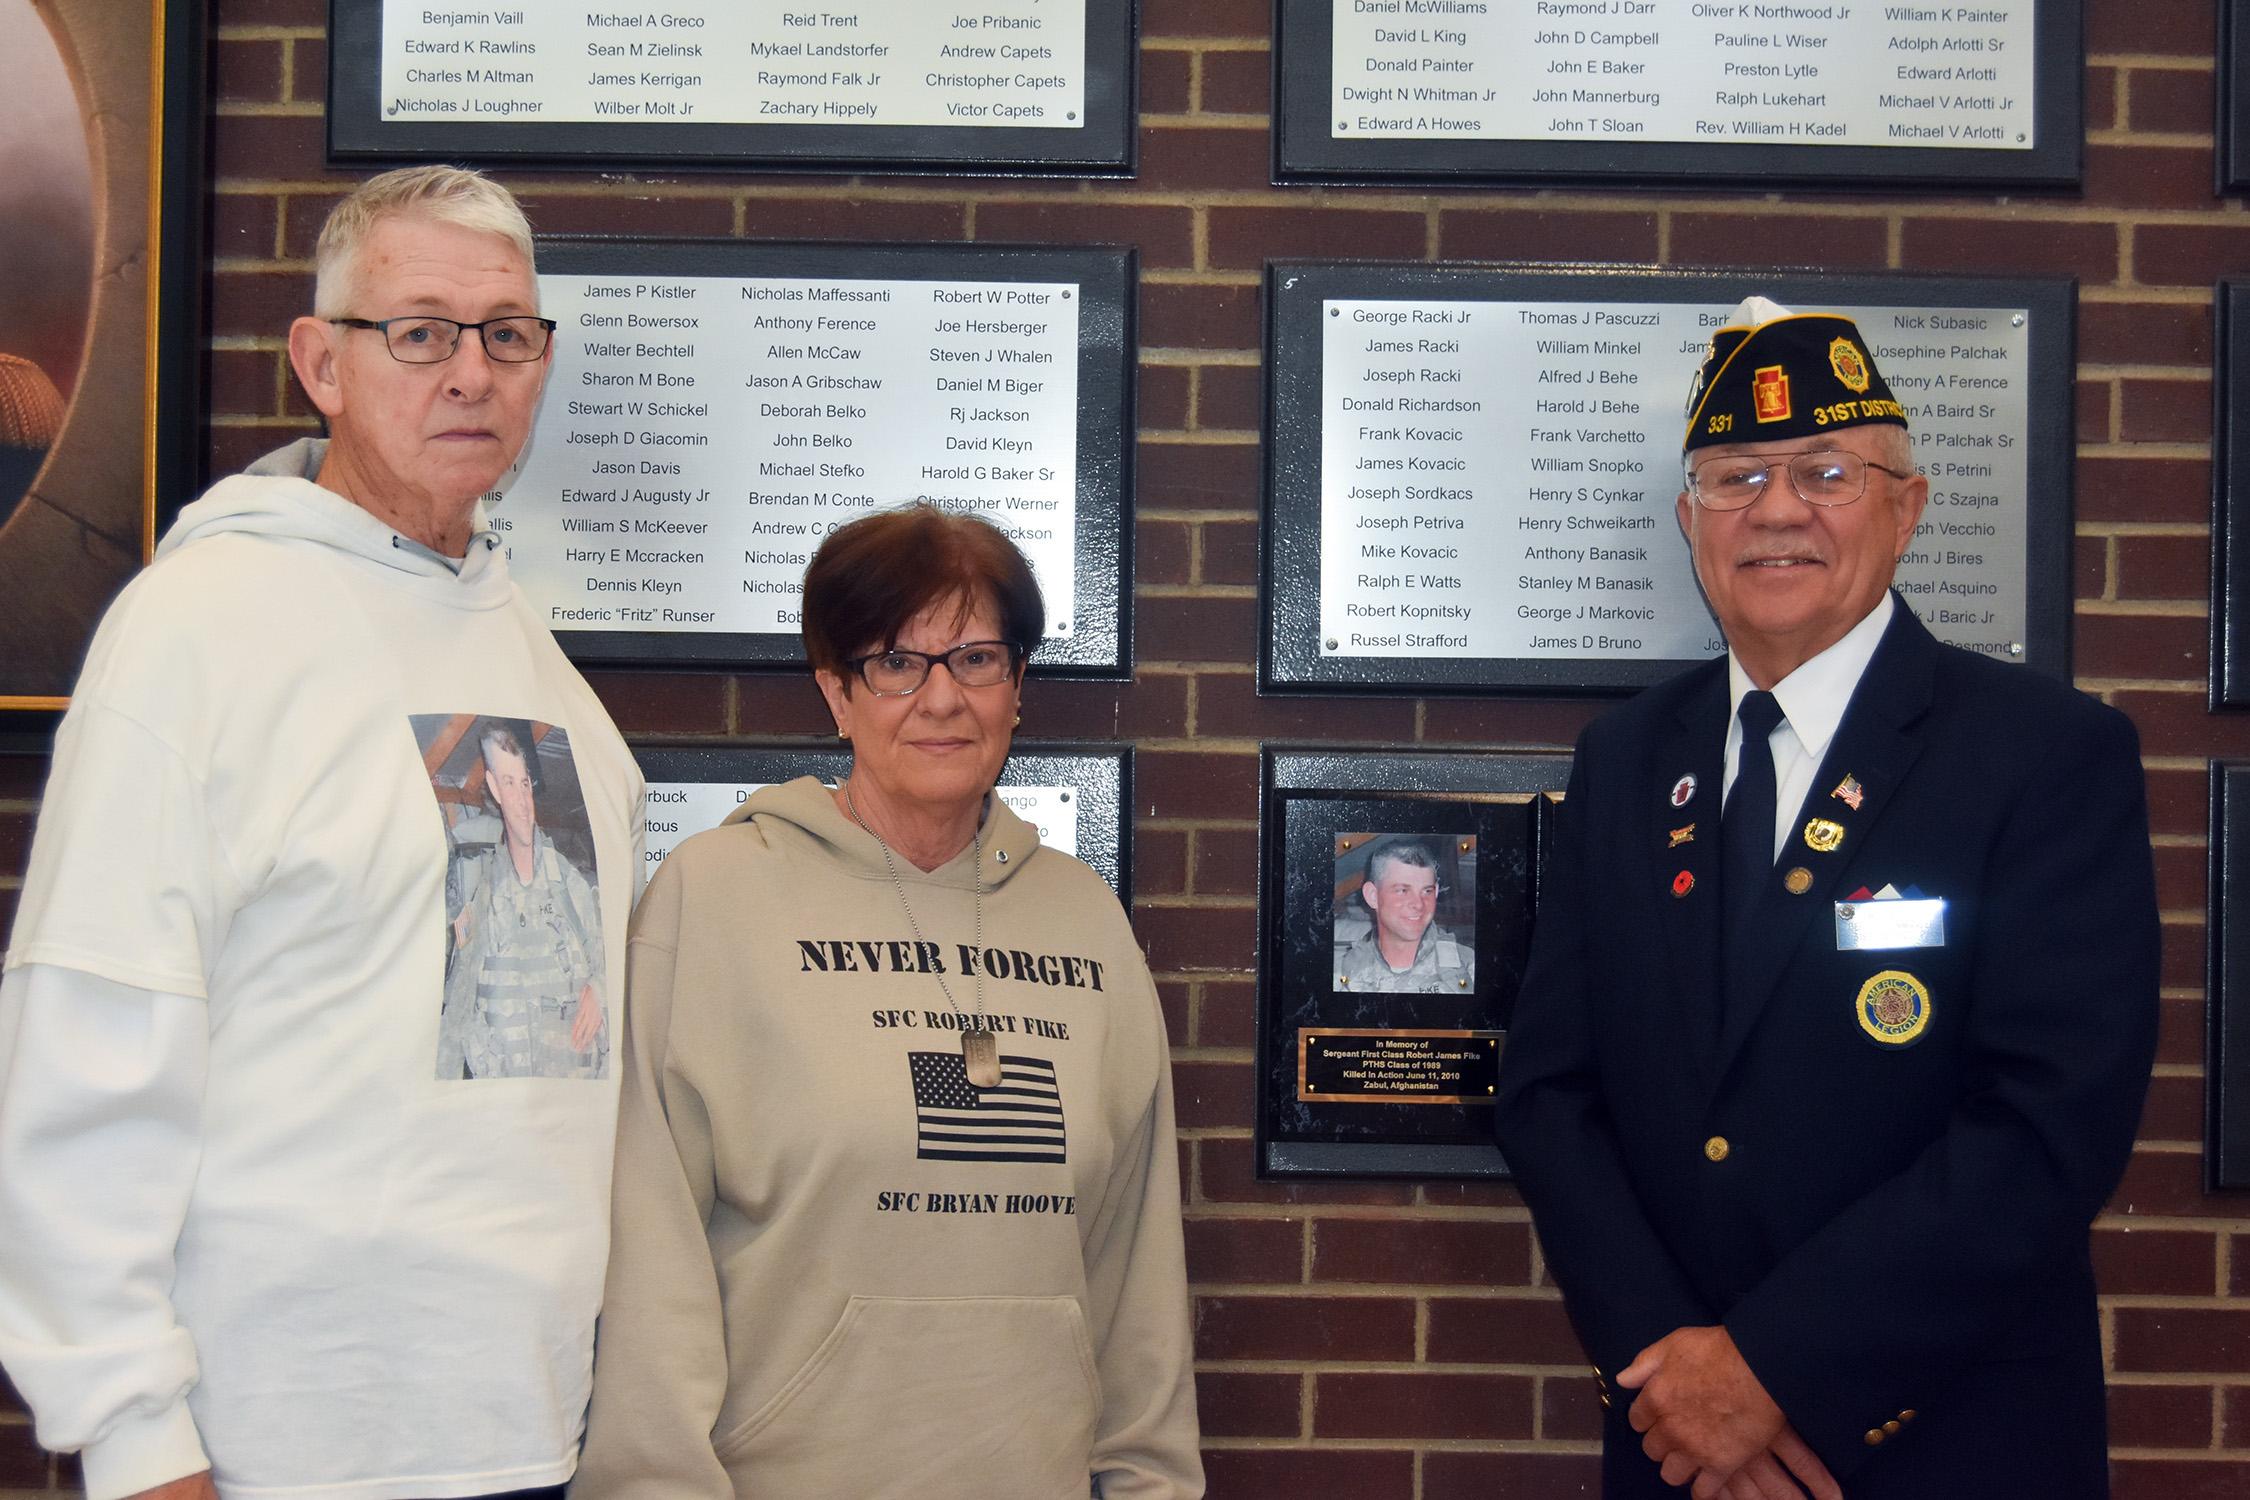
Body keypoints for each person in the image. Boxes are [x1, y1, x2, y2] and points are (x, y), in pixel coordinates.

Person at [0, 166, 645, 1500]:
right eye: (418, 331)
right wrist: (129, 1434)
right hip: (264, 1454)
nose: (471, 373)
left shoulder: (535, 669)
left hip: (518, 1437)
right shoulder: (201, 631)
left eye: (508, 334)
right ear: (321, 363)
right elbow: (89, 1044)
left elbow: (525, 1075)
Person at [1493, 297, 2157, 1500]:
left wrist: (1774, 1373)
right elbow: (1551, 1093)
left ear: (1906, 506)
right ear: (1690, 521)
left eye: (1828, 470)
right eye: (1736, 476)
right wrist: (1680, 1384)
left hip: (1946, 1444)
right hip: (1677, 1452)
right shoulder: (1629, 760)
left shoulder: (2044, 756)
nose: (1779, 509)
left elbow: (2047, 1125)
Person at [574, 503, 1203, 1500]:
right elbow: (651, 1248)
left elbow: (1137, 1273)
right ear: (836, 691)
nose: (942, 699)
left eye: (977, 659)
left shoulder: (1086, 926)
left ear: (1018, 686)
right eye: (897, 663)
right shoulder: (715, 898)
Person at [440, 721, 608, 1080]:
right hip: (504, 1102)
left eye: (524, 784)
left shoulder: (568, 885)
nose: (521, 800)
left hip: (568, 1094)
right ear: (494, 790)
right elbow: (458, 1009)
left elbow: (612, 959)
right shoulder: (482, 892)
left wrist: (599, 990)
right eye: (508, 784)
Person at [1334, 838, 1474, 993]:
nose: (1419, 904)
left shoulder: (1467, 966)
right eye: (1402, 890)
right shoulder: (1345, 975)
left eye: (1427, 891)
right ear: (1373, 896)